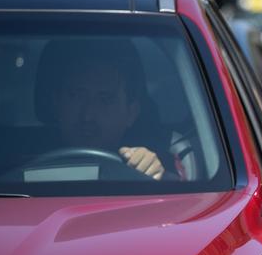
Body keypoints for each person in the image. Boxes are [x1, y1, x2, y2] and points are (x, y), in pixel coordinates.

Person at [35, 39, 173, 180]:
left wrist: (152, 173)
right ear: (57, 103)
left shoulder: (159, 162)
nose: (88, 115)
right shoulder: (17, 166)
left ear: (131, 113)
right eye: (76, 96)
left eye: (105, 99)